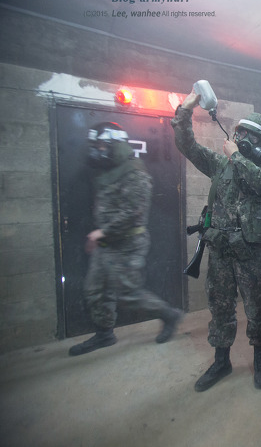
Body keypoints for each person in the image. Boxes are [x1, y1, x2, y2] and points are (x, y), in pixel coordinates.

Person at [171, 91, 261, 391]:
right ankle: (222, 361)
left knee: (256, 309)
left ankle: (260, 358)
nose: (242, 138)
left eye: (250, 136)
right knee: (220, 307)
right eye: (240, 133)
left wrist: (236, 155)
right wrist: (185, 111)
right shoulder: (220, 164)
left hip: (251, 254)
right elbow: (187, 146)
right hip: (220, 251)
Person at [69, 122, 183, 356]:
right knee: (96, 290)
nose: (98, 150)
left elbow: (134, 213)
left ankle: (168, 315)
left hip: (128, 244)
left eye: (102, 146)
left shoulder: (135, 173)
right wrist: (102, 234)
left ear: (115, 145)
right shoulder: (107, 172)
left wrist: (102, 232)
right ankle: (104, 334)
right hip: (106, 243)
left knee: (128, 293)